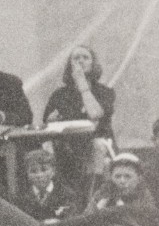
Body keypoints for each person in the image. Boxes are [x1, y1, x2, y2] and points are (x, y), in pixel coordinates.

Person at [41, 45, 115, 199]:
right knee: (47, 147)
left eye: (85, 57)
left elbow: (95, 114)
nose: (81, 61)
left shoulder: (104, 92)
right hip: (67, 146)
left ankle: (92, 195)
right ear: (70, 65)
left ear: (93, 63)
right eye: (76, 58)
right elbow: (47, 123)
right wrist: (51, 120)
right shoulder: (59, 95)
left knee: (97, 146)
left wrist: (83, 85)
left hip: (94, 143)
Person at [14, 147, 78, 221]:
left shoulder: (67, 195)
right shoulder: (21, 198)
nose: (39, 175)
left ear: (53, 171)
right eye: (33, 171)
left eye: (44, 169)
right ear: (27, 174)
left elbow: (71, 221)